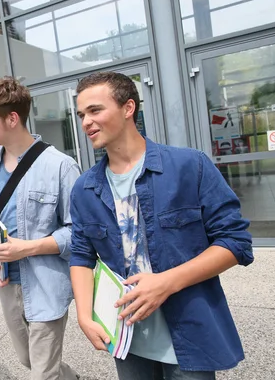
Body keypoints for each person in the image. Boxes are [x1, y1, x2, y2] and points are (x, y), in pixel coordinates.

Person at [69, 72, 254, 380]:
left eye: (95, 110)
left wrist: (167, 282)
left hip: (189, 335)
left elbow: (235, 242)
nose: (86, 122)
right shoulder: (84, 188)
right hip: (126, 338)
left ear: (128, 108)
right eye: (81, 114)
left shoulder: (189, 166)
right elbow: (80, 255)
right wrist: (84, 315)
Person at [0, 76, 81, 380]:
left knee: (42, 373)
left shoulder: (61, 167)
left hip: (46, 284)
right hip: (6, 283)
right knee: (29, 359)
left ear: (12, 118)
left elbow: (78, 232)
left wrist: (26, 248)